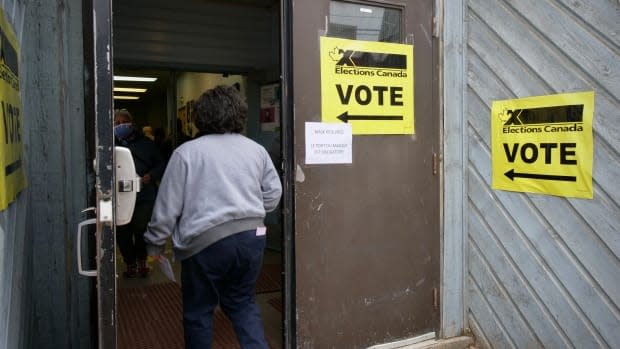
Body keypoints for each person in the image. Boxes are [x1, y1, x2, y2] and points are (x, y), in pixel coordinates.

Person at [144, 85, 282, 349]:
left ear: (201, 116)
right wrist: (250, 214)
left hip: (205, 244)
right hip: (252, 239)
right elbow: (274, 193)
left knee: (199, 312)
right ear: (238, 114)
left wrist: (155, 244)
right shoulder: (256, 150)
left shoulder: (186, 153)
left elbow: (167, 207)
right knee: (243, 304)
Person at [114, 108, 165, 278]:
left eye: (123, 122)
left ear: (131, 124)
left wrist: (150, 176)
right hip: (120, 195)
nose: (120, 126)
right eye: (117, 123)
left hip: (144, 195)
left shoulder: (147, 144)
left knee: (140, 228)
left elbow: (160, 164)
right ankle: (130, 263)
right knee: (122, 230)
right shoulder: (110, 145)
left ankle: (142, 260)